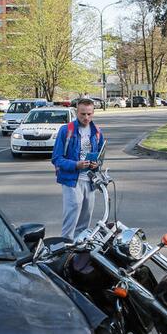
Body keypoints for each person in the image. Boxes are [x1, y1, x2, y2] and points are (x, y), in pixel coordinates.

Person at [51, 98, 105, 240]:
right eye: (82, 114)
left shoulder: (97, 132)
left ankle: (78, 252)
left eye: (89, 114)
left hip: (90, 181)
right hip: (72, 181)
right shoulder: (66, 130)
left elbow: (100, 157)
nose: (86, 117)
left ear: (93, 113)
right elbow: (56, 158)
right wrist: (76, 165)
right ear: (76, 112)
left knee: (85, 221)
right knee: (72, 217)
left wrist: (96, 165)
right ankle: (65, 248)